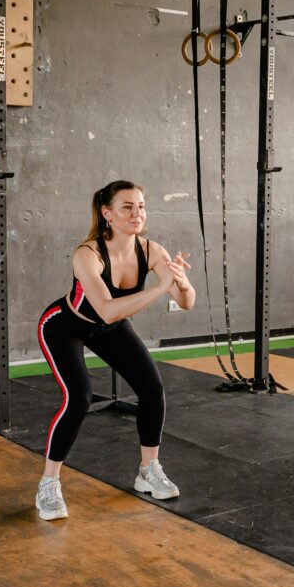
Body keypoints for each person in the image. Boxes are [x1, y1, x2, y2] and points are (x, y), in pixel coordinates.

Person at [34, 180, 196, 520]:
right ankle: (48, 485)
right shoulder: (87, 253)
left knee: (152, 390)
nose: (136, 213)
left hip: (110, 327)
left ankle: (147, 471)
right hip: (64, 327)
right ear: (107, 213)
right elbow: (107, 308)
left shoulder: (151, 250)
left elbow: (186, 302)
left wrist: (179, 282)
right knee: (79, 397)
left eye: (141, 206)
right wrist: (161, 287)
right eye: (127, 207)